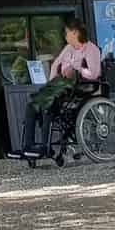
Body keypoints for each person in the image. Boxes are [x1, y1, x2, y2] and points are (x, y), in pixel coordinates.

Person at [9, 17, 103, 159]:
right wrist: (50, 84)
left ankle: (45, 147)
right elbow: (55, 65)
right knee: (32, 104)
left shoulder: (91, 49)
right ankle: (28, 146)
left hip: (78, 85)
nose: (65, 36)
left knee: (48, 104)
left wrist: (76, 68)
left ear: (75, 33)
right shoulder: (68, 48)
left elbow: (95, 73)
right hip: (60, 83)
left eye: (67, 33)